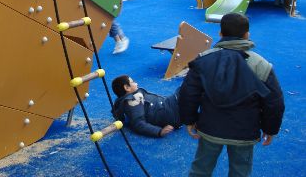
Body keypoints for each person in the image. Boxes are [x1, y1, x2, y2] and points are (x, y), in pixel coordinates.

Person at [179, 13, 285, 177]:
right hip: (244, 132)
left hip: (210, 128)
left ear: (220, 34)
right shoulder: (261, 64)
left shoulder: (203, 60)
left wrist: (189, 120)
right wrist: (270, 129)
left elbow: (188, 93)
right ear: (247, 34)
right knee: (240, 171)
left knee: (201, 168)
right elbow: (274, 102)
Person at [112, 75, 181, 137]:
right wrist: (159, 131)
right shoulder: (132, 100)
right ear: (127, 87)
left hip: (168, 105)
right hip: (171, 110)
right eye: (133, 82)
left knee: (185, 89)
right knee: (186, 89)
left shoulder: (131, 97)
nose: (136, 83)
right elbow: (138, 124)